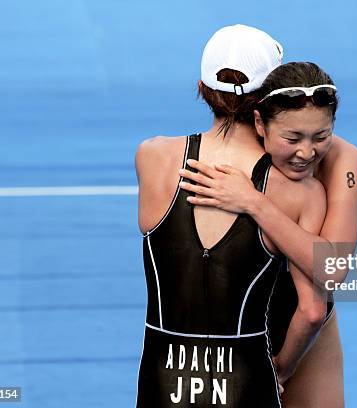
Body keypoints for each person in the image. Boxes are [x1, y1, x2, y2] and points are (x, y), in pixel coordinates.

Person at [134, 25, 328, 407]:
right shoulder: (299, 190)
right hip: (247, 380)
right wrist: (283, 367)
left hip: (162, 380)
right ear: (272, 100)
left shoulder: (153, 157)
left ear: (202, 88)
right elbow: (312, 311)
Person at [179, 62, 357, 407]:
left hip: (301, 322)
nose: (306, 152)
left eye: (321, 137)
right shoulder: (232, 155)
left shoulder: (344, 160)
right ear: (259, 123)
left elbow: (333, 268)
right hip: (243, 325)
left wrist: (254, 202)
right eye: (292, 138)